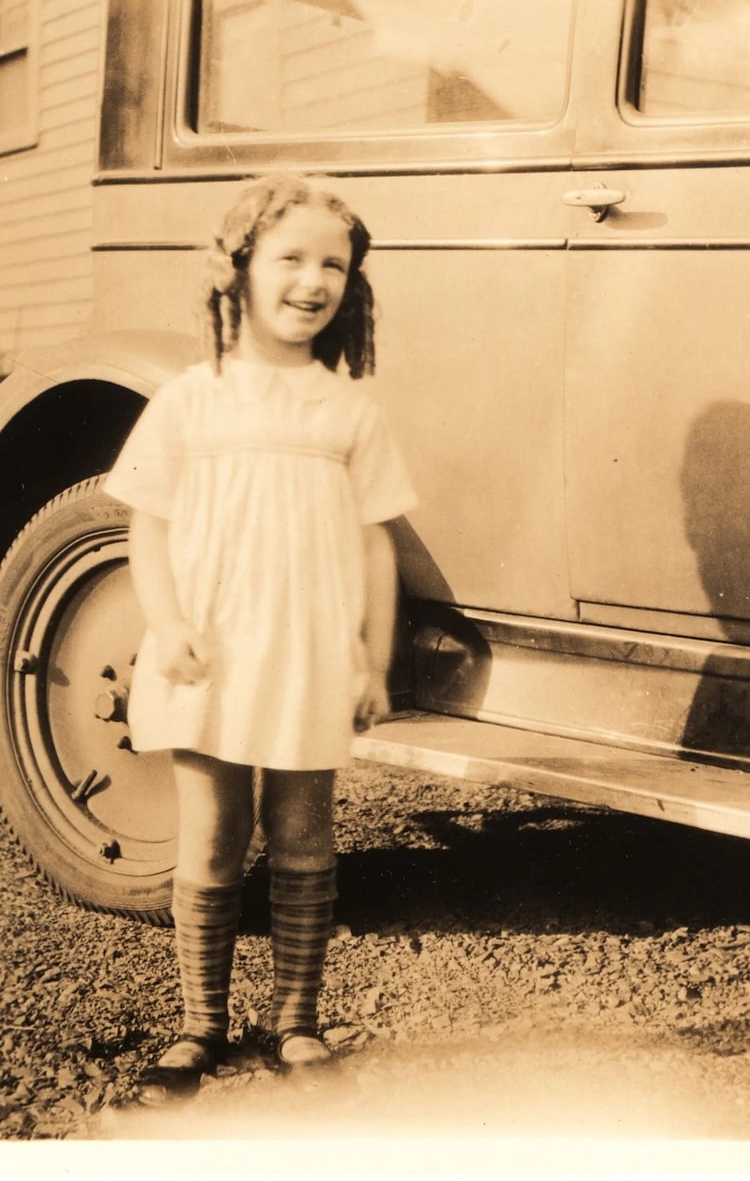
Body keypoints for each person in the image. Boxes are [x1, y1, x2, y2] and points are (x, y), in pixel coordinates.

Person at [104, 172, 417, 1106]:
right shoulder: (191, 400)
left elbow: (376, 541)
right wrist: (166, 625)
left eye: (335, 265)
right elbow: (146, 526)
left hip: (308, 656)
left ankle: (298, 1022)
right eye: (291, 258)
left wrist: (373, 656)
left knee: (302, 835)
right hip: (210, 651)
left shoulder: (349, 408)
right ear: (237, 269)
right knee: (210, 835)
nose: (312, 280)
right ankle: (199, 1024)